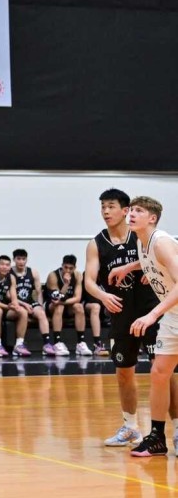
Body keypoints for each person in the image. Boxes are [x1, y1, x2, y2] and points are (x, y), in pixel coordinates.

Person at [84, 188, 163, 447]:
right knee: (123, 372)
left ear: (125, 210)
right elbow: (89, 281)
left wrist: (149, 268)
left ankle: (175, 430)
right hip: (121, 315)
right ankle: (131, 427)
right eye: (103, 207)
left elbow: (163, 259)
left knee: (163, 371)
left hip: (151, 311)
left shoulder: (141, 235)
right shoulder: (96, 243)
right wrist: (103, 296)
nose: (105, 211)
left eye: (111, 206)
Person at [123, 196, 178, 457]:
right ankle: (157, 438)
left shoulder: (161, 242)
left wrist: (152, 315)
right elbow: (154, 261)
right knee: (159, 373)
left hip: (166, 312)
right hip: (174, 315)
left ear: (152, 218)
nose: (131, 214)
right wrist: (130, 267)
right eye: (131, 210)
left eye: (139, 211)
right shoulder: (141, 242)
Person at [44, 255, 91, 356]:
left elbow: (77, 298)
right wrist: (66, 284)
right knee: (59, 307)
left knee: (79, 307)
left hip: (67, 304)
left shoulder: (78, 275)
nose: (68, 270)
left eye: (71, 268)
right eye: (65, 267)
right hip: (51, 305)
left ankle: (81, 343)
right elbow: (57, 298)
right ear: (62, 266)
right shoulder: (53, 276)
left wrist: (62, 302)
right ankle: (57, 342)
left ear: (75, 268)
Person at [11, 249, 54, 355]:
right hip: (15, 303)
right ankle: (19, 344)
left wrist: (40, 305)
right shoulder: (10, 273)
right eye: (18, 259)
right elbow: (9, 295)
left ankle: (47, 344)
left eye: (23, 259)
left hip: (29, 301)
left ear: (26, 260)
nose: (21, 261)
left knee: (41, 313)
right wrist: (24, 305)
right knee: (23, 312)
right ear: (14, 259)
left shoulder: (33, 272)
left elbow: (39, 292)